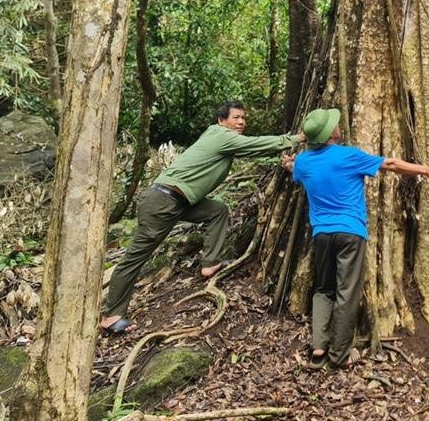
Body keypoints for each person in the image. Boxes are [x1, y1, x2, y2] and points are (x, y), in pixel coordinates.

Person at [100, 101, 301, 334]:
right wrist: (296, 139)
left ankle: (210, 263)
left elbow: (251, 150)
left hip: (180, 201)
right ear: (221, 120)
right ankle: (111, 315)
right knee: (135, 257)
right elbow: (255, 145)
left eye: (244, 118)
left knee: (217, 211)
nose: (241, 122)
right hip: (163, 201)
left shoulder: (223, 140)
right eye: (236, 117)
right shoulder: (220, 135)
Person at [282, 107, 429, 369]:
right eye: (334, 124)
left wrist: (288, 163)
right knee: (347, 292)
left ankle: (319, 348)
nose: (338, 125)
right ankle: (340, 355)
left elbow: (294, 169)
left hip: (321, 234)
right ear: (329, 134)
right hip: (350, 233)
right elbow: (390, 164)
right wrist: (426, 170)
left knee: (324, 289)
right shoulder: (348, 156)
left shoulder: (303, 161)